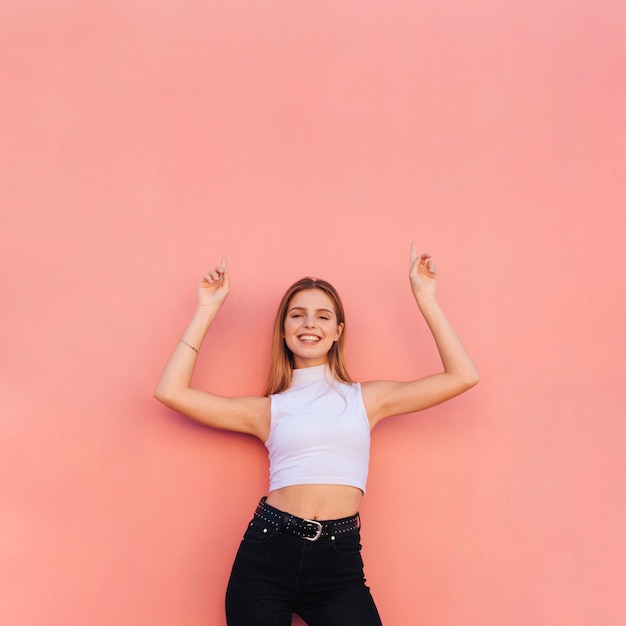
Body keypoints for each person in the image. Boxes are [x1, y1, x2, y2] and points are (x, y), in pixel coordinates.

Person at [154, 242, 479, 625]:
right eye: (297, 315)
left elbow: (463, 376)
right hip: (267, 556)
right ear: (284, 329)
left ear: (338, 331)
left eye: (323, 316)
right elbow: (170, 391)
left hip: (337, 565)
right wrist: (206, 309)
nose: (310, 324)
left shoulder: (367, 399)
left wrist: (425, 299)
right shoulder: (267, 410)